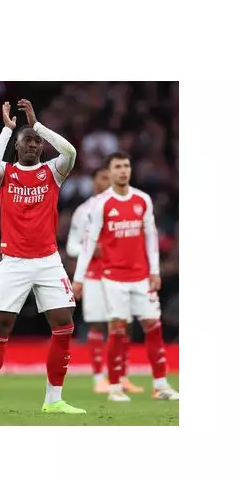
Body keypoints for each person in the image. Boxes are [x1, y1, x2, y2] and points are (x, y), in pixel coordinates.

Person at [0, 99, 85, 415]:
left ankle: (54, 400)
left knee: (64, 323)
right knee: (1, 324)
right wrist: (8, 130)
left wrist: (37, 125)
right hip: (14, 261)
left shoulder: (52, 172)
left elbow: (70, 152)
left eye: (37, 141)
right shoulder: (5, 174)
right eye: (27, 141)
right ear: (16, 146)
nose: (33, 145)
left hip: (49, 260)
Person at [72, 152, 179, 402]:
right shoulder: (101, 204)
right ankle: (115, 386)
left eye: (126, 166)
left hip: (141, 277)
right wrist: (78, 279)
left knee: (153, 326)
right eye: (118, 166)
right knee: (117, 329)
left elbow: (151, 236)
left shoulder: (143, 200)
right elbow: (88, 243)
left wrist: (154, 271)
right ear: (110, 172)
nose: (123, 170)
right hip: (113, 278)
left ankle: (160, 385)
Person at [66, 167, 144, 396]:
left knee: (124, 324)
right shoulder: (84, 211)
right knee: (98, 324)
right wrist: (92, 250)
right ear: (94, 182)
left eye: (110, 178)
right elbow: (71, 246)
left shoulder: (127, 206)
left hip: (123, 274)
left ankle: (122, 376)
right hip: (95, 275)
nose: (108, 181)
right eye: (103, 178)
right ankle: (99, 378)